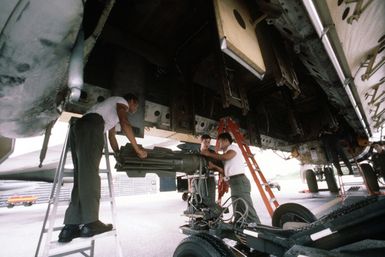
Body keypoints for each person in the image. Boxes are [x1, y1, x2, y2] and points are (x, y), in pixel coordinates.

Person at [58, 93, 147, 243]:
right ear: (131, 101)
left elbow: (112, 137)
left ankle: (70, 227)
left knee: (81, 177)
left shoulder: (108, 110)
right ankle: (91, 223)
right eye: (136, 106)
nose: (135, 109)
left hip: (79, 128)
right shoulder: (121, 102)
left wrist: (118, 154)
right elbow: (125, 124)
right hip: (92, 128)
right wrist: (137, 149)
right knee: (91, 176)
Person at [201, 132, 261, 225]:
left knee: (246, 206)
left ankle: (257, 226)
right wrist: (214, 166)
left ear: (225, 140)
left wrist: (208, 153)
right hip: (234, 183)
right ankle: (239, 224)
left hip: (239, 181)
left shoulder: (233, 148)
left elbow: (225, 157)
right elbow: (224, 171)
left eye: (220, 142)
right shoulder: (226, 153)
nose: (219, 144)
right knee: (237, 206)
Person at [197, 134, 223, 217]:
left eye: (208, 142)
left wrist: (221, 175)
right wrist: (190, 184)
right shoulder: (196, 153)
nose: (207, 144)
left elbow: (221, 165)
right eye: (205, 142)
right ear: (201, 141)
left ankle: (213, 216)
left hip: (209, 179)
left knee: (210, 199)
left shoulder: (212, 153)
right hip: (197, 179)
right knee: (199, 199)